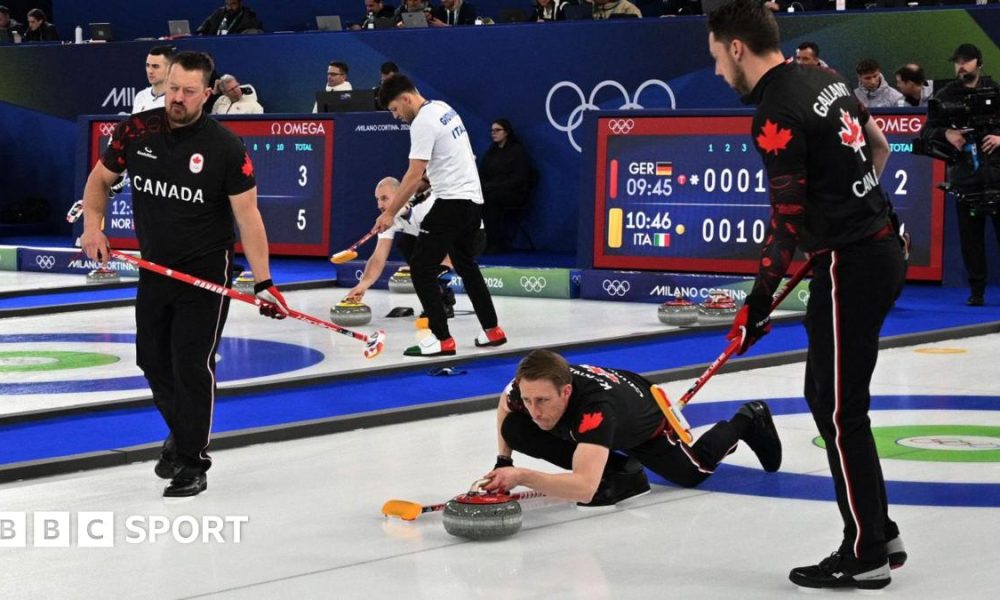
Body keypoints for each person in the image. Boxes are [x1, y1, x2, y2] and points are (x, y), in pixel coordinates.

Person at [706, 0, 907, 589]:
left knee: (842, 411)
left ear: (737, 48)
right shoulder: (825, 77)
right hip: (875, 248)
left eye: (717, 58)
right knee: (823, 395)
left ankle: (867, 555)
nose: (717, 71)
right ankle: (879, 530)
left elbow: (786, 222)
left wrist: (756, 303)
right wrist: (855, 214)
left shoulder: (776, 111)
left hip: (852, 264)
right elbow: (878, 147)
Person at [79, 51, 288, 498]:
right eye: (172, 88)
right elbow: (99, 181)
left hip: (205, 274)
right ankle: (182, 433)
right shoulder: (136, 130)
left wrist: (265, 282)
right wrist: (93, 227)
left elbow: (248, 217)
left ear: (206, 94)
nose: (177, 97)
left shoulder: (226, 147)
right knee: (151, 360)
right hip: (156, 268)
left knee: (191, 365)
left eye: (188, 91)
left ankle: (192, 461)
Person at [482, 350, 782, 508]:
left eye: (542, 401)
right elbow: (505, 405)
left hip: (643, 421)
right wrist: (503, 460)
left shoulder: (596, 411)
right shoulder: (527, 387)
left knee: (693, 472)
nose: (534, 410)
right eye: (528, 400)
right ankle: (622, 471)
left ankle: (748, 418)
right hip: (609, 407)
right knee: (515, 428)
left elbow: (584, 489)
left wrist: (522, 476)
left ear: (566, 391)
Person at [374, 74, 506, 357]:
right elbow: (449, 161)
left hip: (451, 203)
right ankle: (492, 329)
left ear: (406, 98)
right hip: (473, 201)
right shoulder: (443, 108)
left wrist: (390, 213)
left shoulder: (422, 122)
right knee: (466, 264)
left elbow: (413, 174)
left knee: (421, 267)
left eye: (395, 109)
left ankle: (441, 339)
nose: (396, 116)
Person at [919, 43, 1000, 306]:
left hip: (997, 176)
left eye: (966, 60)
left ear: (979, 63)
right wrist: (947, 134)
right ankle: (977, 291)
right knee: (970, 239)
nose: (961, 66)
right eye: (957, 61)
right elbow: (926, 132)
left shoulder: (995, 90)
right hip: (966, 178)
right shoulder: (944, 96)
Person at [347, 177, 474, 318]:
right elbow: (379, 256)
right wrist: (363, 285)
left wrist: (433, 272)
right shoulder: (388, 219)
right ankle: (440, 297)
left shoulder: (426, 206)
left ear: (401, 195)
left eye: (384, 198)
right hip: (433, 241)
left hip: (467, 239)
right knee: (406, 243)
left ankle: (440, 296)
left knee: (424, 268)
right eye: (377, 200)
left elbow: (452, 243)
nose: (379, 205)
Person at [479, 119, 533, 253]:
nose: (494, 133)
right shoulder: (491, 151)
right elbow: (483, 173)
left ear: (506, 132)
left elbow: (519, 178)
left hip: (514, 193)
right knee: (479, 198)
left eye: (497, 130)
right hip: (491, 190)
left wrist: (495, 186)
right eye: (492, 131)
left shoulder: (517, 151)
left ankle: (494, 243)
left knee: (490, 200)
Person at [133, 46, 174, 114]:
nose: (150, 71)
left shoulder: (176, 99)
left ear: (170, 68)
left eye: (155, 66)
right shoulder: (140, 96)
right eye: (147, 65)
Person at [196, 0, 264, 35]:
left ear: (240, 4)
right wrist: (200, 33)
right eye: (227, 4)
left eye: (233, 4)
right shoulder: (219, 13)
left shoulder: (248, 15)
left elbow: (255, 31)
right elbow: (203, 28)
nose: (229, 7)